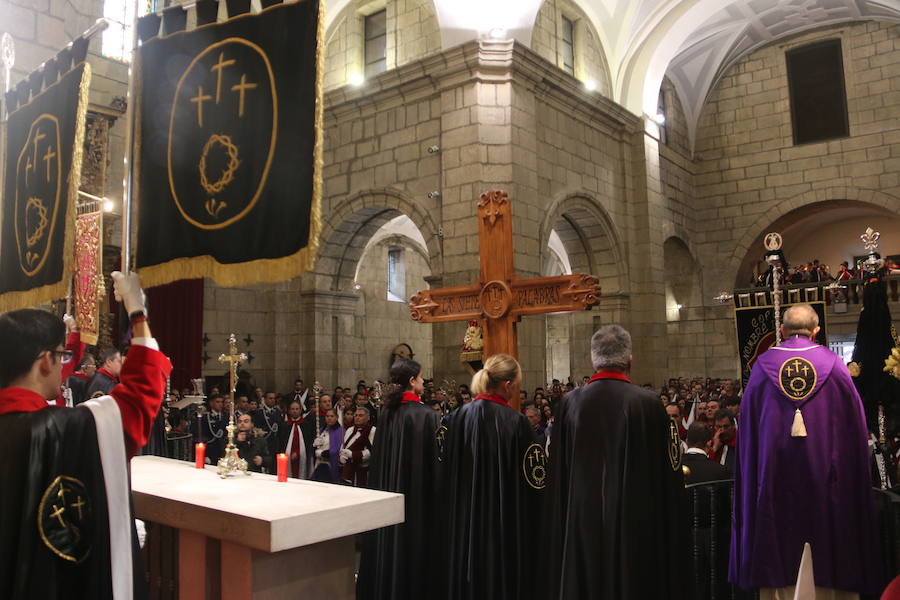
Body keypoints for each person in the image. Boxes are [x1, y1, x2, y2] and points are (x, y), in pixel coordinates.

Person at [0, 271, 171, 599]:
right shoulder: (60, 430)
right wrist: (138, 314)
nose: (66, 364)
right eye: (61, 355)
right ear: (46, 361)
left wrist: (73, 339)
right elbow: (140, 397)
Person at [730, 304, 882, 597]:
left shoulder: (762, 369)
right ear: (817, 330)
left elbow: (749, 434)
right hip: (828, 488)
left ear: (782, 331)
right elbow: (854, 432)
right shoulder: (836, 367)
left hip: (774, 485)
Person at [542, 325, 688, 600]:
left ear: (592, 359)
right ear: (630, 360)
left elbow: (557, 473)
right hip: (635, 523)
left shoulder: (570, 404)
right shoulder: (648, 404)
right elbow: (667, 474)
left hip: (580, 520)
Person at [443, 354, 543, 600]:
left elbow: (443, 466)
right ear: (508, 385)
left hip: (463, 521)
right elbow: (535, 480)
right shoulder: (518, 423)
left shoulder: (455, 417)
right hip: (503, 524)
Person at [358, 358, 441, 600]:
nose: (424, 381)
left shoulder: (387, 413)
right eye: (421, 377)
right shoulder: (426, 415)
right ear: (412, 381)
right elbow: (434, 463)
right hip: (416, 499)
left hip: (389, 491)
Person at [339, 406, 375, 486]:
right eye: (356, 415)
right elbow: (344, 445)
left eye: (360, 415)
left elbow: (372, 451)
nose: (357, 418)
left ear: (368, 418)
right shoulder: (350, 430)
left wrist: (353, 455)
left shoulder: (372, 430)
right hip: (348, 469)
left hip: (363, 470)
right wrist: (341, 455)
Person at [278, 400, 310, 479]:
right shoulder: (285, 425)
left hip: (302, 457)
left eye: (297, 409)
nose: (295, 411)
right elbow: (281, 443)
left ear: (300, 410)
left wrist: (298, 453)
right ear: (289, 411)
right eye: (292, 409)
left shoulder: (306, 425)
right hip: (287, 458)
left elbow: (308, 443)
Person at [311, 408, 344, 483]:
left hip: (330, 465)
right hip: (319, 463)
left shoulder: (340, 431)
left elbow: (337, 451)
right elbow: (315, 449)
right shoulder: (322, 430)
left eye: (332, 416)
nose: (329, 418)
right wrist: (314, 446)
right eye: (327, 416)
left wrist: (322, 453)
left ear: (337, 417)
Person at [708, 408, 737, 473]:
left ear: (733, 426)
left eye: (726, 427)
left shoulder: (741, 445)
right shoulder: (710, 444)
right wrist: (714, 449)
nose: (723, 430)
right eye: (718, 427)